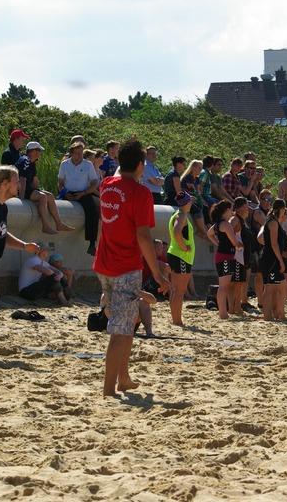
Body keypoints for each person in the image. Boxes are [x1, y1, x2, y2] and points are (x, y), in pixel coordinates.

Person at [92, 139, 168, 397]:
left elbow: (105, 223)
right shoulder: (140, 193)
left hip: (105, 264)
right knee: (120, 329)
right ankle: (108, 389)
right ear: (141, 165)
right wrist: (157, 274)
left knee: (128, 320)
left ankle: (123, 378)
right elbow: (143, 236)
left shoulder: (106, 185)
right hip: (124, 266)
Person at [0, 166, 42, 344]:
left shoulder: (2, 208)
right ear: (4, 183)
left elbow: (1, 233)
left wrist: (24, 246)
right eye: (16, 181)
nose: (19, 184)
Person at [15, 141, 74, 234]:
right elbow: (22, 179)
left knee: (50, 195)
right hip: (20, 189)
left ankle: (59, 224)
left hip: (27, 189)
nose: (40, 153)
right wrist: (21, 199)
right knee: (42, 197)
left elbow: (34, 181)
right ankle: (45, 226)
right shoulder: (26, 161)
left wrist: (37, 190)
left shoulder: (32, 162)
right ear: (34, 151)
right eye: (39, 151)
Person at [57, 140, 100, 254]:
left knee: (93, 211)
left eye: (81, 153)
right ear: (72, 153)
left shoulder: (88, 165)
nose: (79, 155)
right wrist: (64, 193)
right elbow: (60, 182)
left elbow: (94, 182)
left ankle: (92, 243)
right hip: (67, 192)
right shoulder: (65, 164)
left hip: (83, 193)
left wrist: (84, 192)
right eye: (76, 153)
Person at [206, 200, 245, 319]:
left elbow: (209, 234)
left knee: (224, 286)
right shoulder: (226, 224)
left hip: (223, 256)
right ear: (226, 210)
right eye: (231, 209)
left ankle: (223, 312)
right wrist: (240, 245)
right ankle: (222, 312)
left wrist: (218, 243)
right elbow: (234, 242)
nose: (232, 211)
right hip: (225, 257)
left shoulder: (218, 224)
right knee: (223, 286)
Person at [258, 199, 287, 320]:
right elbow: (274, 244)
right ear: (280, 209)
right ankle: (269, 315)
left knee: (280, 287)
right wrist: (281, 261)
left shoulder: (274, 221)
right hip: (271, 260)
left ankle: (278, 313)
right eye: (284, 209)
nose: (285, 211)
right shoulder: (273, 223)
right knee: (270, 289)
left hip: (271, 258)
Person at [167, 191, 195, 326]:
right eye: (190, 200)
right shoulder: (181, 215)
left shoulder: (177, 214)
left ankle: (175, 319)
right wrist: (184, 247)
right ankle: (177, 320)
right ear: (186, 202)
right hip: (181, 256)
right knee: (180, 290)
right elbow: (177, 231)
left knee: (175, 289)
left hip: (176, 255)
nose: (192, 202)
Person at [230, 197, 254, 313]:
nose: (247, 209)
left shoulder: (243, 221)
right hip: (237, 256)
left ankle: (236, 306)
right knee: (236, 283)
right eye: (245, 206)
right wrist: (235, 243)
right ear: (238, 208)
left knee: (241, 283)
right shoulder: (235, 219)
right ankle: (234, 307)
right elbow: (226, 231)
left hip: (244, 256)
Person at [180, 159, 209, 240]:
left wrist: (202, 200)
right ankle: (202, 231)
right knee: (196, 208)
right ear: (193, 168)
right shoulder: (188, 178)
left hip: (194, 199)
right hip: (186, 199)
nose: (200, 170)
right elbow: (189, 191)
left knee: (206, 206)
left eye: (201, 168)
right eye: (199, 168)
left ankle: (206, 228)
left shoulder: (197, 179)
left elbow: (198, 192)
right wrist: (196, 198)